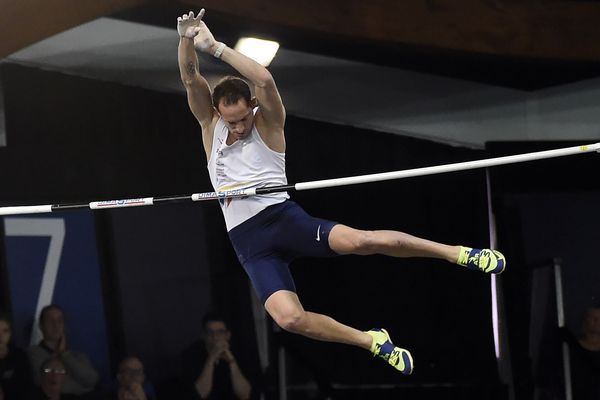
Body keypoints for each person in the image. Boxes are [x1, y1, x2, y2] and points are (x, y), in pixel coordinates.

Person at [176, 9, 506, 375]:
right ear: (218, 114)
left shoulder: (269, 125)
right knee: (289, 319)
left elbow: (266, 81)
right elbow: (191, 80)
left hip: (281, 219)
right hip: (248, 243)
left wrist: (216, 47)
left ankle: (458, 253)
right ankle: (372, 340)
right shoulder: (211, 127)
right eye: (230, 120)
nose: (237, 127)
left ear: (251, 107)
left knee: (361, 242)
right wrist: (186, 40)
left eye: (241, 118)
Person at [27, 305, 99, 397]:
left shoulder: (77, 355)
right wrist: (82, 387)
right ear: (41, 325)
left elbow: (92, 380)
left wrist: (64, 355)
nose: (56, 325)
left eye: (59, 321)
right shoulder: (34, 353)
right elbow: (46, 385)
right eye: (50, 321)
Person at [181, 313, 252, 400]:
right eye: (210, 332)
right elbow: (199, 394)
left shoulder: (239, 353)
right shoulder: (191, 355)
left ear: (228, 335)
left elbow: (245, 395)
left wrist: (231, 362)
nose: (215, 337)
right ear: (203, 335)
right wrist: (211, 359)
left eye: (220, 332)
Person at [563, 304, 600, 399]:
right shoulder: (572, 348)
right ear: (585, 320)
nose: (596, 321)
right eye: (593, 317)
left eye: (599, 318)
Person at [0, 311, 33, 399]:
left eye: (5, 331)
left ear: (10, 334)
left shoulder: (19, 356)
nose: (0, 336)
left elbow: (25, 388)